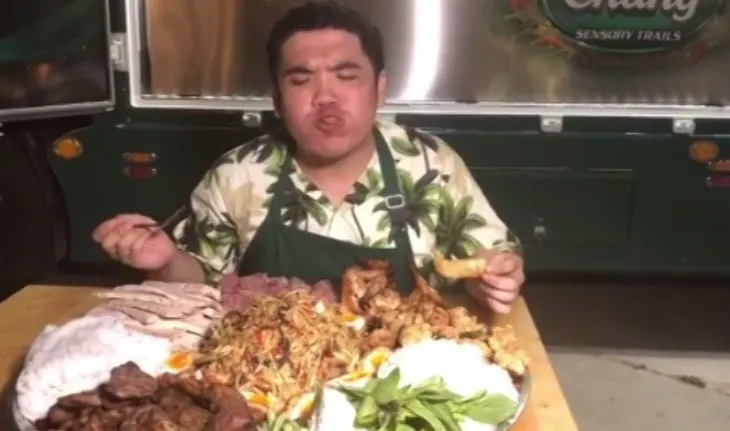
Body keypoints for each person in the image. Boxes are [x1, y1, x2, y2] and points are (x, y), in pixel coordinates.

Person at [92, 1, 524, 314]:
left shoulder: (431, 164)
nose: (325, 98)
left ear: (380, 89)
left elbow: (488, 259)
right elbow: (198, 286)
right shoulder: (237, 175)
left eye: (346, 76)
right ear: (277, 100)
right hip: (269, 379)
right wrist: (166, 261)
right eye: (301, 80)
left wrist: (493, 281)